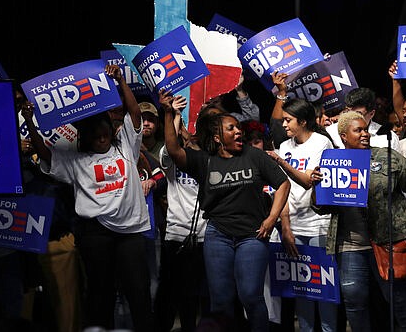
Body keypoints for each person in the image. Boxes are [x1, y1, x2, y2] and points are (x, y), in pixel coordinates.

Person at [21, 64, 154, 331]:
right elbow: (47, 156)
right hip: (95, 233)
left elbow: (136, 115)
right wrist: (29, 122)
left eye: (105, 132)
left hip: (130, 233)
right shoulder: (75, 160)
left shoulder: (126, 146)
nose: (102, 138)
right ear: (87, 137)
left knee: (138, 293)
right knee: (99, 295)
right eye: (96, 135)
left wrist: (120, 82)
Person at [159, 88, 291, 332]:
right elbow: (174, 150)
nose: (238, 131)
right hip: (218, 235)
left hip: (252, 235)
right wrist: (169, 114)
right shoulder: (206, 160)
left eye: (238, 128)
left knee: (251, 297)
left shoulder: (253, 155)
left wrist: (272, 218)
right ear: (217, 137)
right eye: (231, 128)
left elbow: (283, 183)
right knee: (220, 301)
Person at [311, 110, 406, 332]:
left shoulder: (385, 156)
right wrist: (318, 185)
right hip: (350, 246)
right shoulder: (333, 162)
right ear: (343, 136)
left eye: (365, 129)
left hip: (388, 240)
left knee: (399, 301)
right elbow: (319, 207)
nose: (365, 134)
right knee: (355, 302)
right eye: (358, 130)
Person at [266, 98, 337, 332]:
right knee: (302, 292)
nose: (284, 125)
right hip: (293, 224)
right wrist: (285, 226)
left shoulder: (321, 143)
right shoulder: (285, 146)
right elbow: (281, 188)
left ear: (303, 121)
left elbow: (307, 181)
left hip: (318, 224)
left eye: (288, 120)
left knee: (325, 293)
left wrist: (280, 162)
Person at [154, 92, 209, 332]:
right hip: (177, 236)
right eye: (187, 127)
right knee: (179, 296)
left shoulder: (212, 159)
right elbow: (169, 146)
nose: (190, 131)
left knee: (205, 295)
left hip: (207, 237)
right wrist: (173, 115)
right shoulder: (172, 160)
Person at [326, 87, 401, 152]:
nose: (350, 117)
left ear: (371, 114)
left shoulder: (388, 138)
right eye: (347, 112)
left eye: (358, 114)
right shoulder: (331, 132)